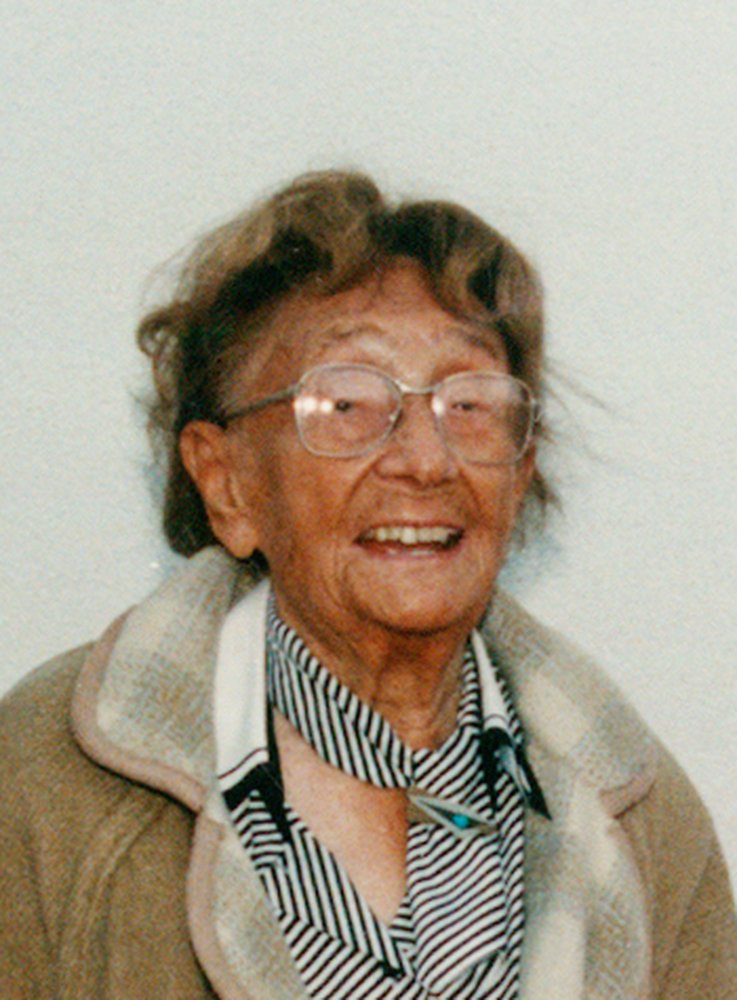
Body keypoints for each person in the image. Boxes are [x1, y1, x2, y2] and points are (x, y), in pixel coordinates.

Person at [1, 170, 735, 1000]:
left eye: (470, 405)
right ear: (226, 483)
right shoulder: (42, 786)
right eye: (346, 403)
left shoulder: (635, 818)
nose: (425, 459)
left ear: (520, 471)